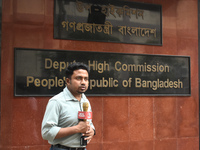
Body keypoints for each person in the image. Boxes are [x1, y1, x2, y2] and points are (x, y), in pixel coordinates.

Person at [41, 62, 95, 150]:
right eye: (78, 78)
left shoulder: (85, 101)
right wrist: (77, 129)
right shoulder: (57, 101)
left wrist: (92, 131)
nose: (83, 82)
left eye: (86, 79)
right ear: (68, 81)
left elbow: (89, 123)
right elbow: (46, 132)